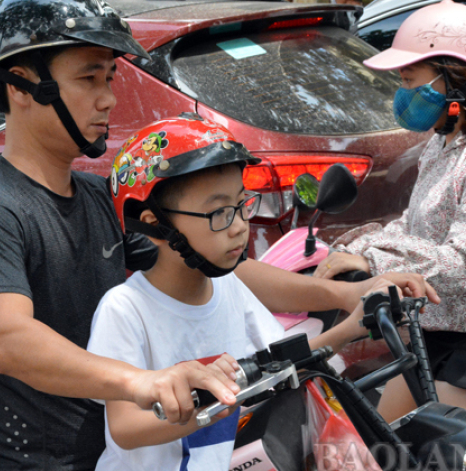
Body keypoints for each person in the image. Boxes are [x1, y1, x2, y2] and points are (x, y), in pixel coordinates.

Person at [0, 0, 437, 468]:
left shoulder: (94, 196)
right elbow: (9, 339)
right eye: (89, 79)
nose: (108, 99)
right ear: (22, 87)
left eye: (110, 78)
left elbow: (217, 263)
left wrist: (346, 294)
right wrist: (145, 382)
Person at [87, 115, 403, 470]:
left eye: (242, 205)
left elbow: (276, 365)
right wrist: (228, 397)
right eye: (220, 212)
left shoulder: (227, 287)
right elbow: (126, 428)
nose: (240, 227)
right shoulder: (126, 309)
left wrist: (349, 329)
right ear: (153, 224)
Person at [313, 0, 466, 422]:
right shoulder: (445, 143)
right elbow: (415, 227)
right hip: (439, 328)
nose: (402, 92)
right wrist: (352, 248)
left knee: (428, 451)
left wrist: (373, 259)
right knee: (375, 445)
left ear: (456, 77)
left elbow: (465, 261)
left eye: (410, 79)